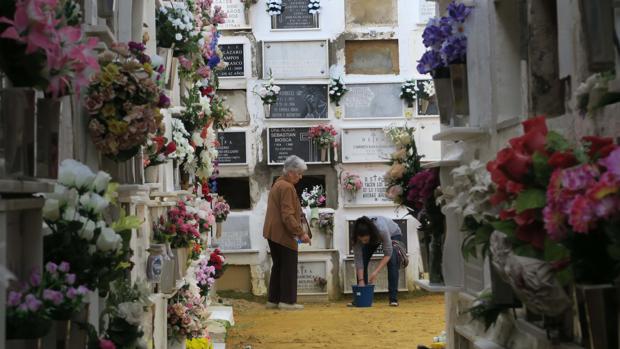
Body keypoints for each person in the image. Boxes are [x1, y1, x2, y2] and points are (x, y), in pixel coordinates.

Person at [263, 155, 311, 310]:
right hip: (283, 233)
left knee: (278, 266)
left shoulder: (278, 183)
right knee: (288, 266)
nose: (300, 177)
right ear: (291, 172)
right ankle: (287, 301)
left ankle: (274, 300)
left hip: (273, 232)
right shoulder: (287, 187)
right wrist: (300, 233)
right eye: (299, 173)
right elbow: (287, 215)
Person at [351, 216, 404, 306]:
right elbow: (358, 259)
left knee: (392, 260)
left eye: (365, 240)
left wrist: (375, 272)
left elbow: (388, 254)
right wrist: (361, 280)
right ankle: (362, 296)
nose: (363, 243)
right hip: (374, 237)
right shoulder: (356, 238)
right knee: (363, 258)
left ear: (370, 234)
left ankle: (393, 299)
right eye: (361, 240)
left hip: (393, 233)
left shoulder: (381, 229)